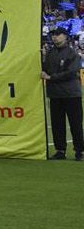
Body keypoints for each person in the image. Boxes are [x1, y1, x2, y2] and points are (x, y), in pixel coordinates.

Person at [42, 28, 83, 160]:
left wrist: (51, 77)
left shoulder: (73, 53)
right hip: (55, 94)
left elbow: (71, 72)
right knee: (57, 124)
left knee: (75, 123)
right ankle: (60, 150)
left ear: (65, 36)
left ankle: (80, 151)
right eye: (53, 35)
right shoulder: (50, 53)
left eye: (58, 35)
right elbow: (46, 70)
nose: (55, 37)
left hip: (71, 93)